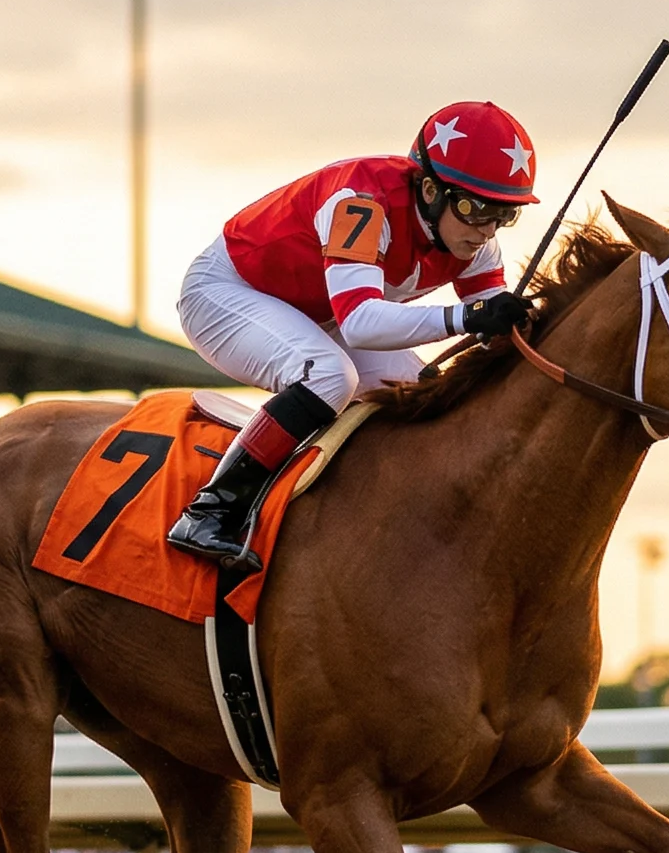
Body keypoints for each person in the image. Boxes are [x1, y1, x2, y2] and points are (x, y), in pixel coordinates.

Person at [165, 101, 543, 570]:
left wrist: (520, 324)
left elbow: (491, 329)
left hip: (317, 313)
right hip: (225, 293)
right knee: (328, 376)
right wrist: (466, 319)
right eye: (475, 209)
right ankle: (210, 511)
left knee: (424, 391)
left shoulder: (475, 241)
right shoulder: (361, 202)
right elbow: (360, 322)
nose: (486, 231)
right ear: (430, 189)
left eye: (504, 215)